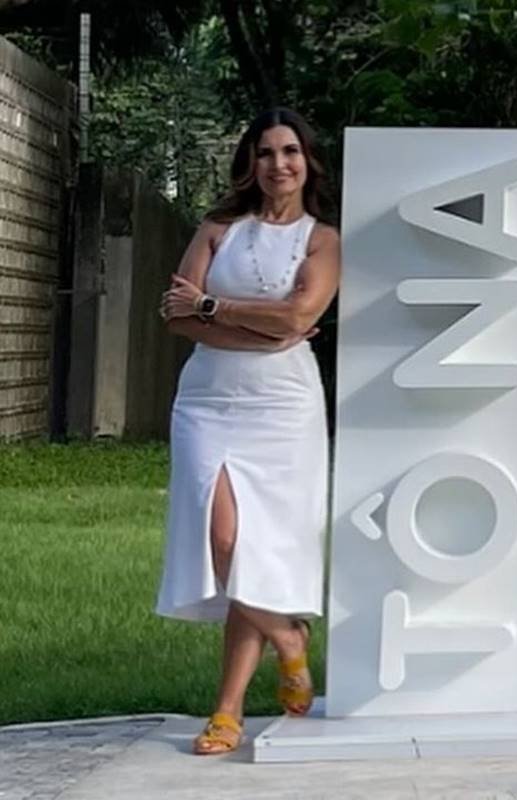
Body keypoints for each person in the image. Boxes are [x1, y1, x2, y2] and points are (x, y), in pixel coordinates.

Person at [156, 107, 341, 755]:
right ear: (250, 163)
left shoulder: (322, 240)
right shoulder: (217, 229)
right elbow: (176, 317)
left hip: (283, 407)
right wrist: (259, 326)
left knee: (256, 548)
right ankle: (289, 639)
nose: (278, 164)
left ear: (307, 161)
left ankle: (227, 713)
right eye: (265, 153)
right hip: (208, 399)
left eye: (290, 151)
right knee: (223, 535)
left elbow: (299, 315)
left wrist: (216, 308)